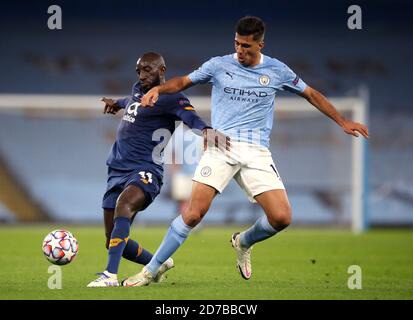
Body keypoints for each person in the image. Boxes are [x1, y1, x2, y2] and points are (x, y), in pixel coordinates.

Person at [121, 16, 369, 287]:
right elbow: (182, 82)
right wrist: (158, 88)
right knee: (193, 213)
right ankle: (150, 271)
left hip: (256, 151)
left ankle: (243, 241)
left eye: (247, 46)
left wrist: (343, 121)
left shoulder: (277, 71)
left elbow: (311, 94)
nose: (240, 51)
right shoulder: (218, 65)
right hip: (221, 147)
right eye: (237, 44)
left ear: (260, 44)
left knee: (281, 217)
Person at [87, 52, 228, 287]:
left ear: (162, 70)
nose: (142, 75)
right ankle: (158, 263)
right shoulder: (137, 89)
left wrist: (206, 130)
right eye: (139, 70)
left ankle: (110, 275)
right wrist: (116, 104)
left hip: (146, 170)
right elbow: (130, 102)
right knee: (112, 239)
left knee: (124, 205)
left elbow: (190, 116)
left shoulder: (172, 97)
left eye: (147, 70)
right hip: (116, 170)